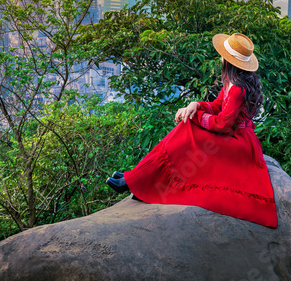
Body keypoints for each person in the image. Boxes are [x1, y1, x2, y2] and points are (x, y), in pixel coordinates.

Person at [107, 32, 278, 228]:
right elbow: (216, 105)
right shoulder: (232, 81)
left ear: (228, 60)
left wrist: (195, 117)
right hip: (231, 134)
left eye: (223, 55)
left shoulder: (238, 88)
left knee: (187, 130)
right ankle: (136, 176)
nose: (220, 57)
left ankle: (134, 180)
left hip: (239, 141)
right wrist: (195, 105)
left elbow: (223, 124)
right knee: (186, 127)